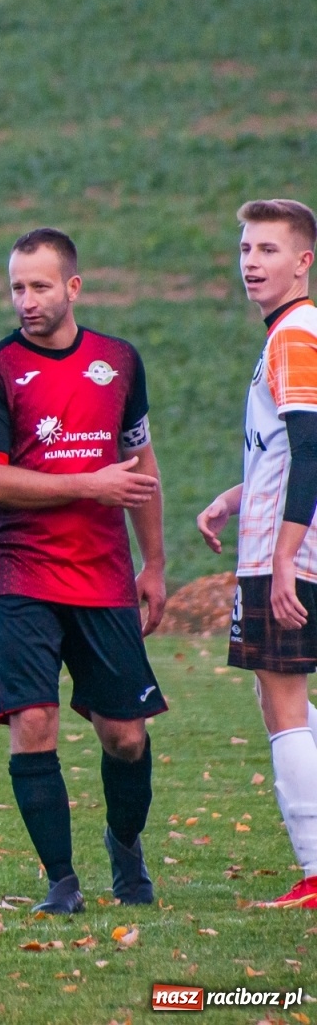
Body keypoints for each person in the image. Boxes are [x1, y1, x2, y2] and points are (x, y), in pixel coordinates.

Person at [0, 228, 167, 915]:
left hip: (104, 574)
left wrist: (155, 563)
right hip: (19, 573)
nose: (26, 300)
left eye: (40, 286)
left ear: (72, 288)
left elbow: (141, 469)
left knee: (126, 737)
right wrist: (88, 484)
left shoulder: (119, 362)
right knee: (35, 723)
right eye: (17, 287)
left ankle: (125, 848)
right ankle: (61, 882)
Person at [197, 198, 317, 908]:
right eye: (246, 249)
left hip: (291, 555)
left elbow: (311, 449)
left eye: (268, 250)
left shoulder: (296, 334)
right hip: (288, 541)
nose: (251, 262)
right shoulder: (294, 334)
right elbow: (289, 449)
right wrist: (235, 496)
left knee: (282, 699)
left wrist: (282, 558)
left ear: (303, 261)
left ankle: (313, 871)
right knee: (288, 699)